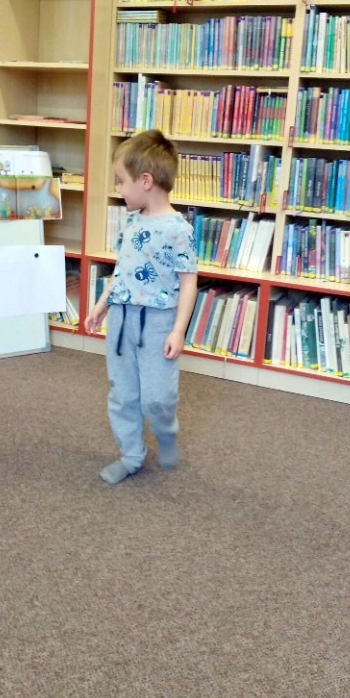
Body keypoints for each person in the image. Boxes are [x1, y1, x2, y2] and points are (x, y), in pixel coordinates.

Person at [85, 130, 198, 485]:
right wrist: (102, 305)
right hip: (121, 321)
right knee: (122, 394)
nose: (118, 188)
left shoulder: (179, 230)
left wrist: (178, 330)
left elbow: (188, 282)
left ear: (145, 181)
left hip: (158, 324)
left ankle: (166, 431)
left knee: (157, 398)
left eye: (121, 181)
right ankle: (131, 455)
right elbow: (123, 270)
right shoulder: (133, 222)